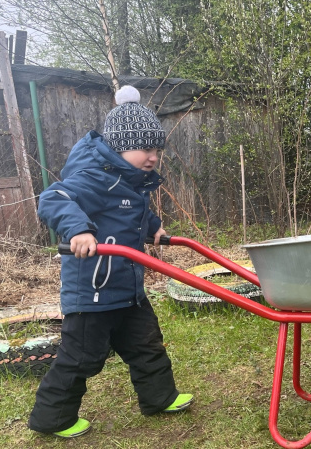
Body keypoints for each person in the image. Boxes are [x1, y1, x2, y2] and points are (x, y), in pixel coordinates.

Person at [28, 85, 192, 438]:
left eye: (157, 150)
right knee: (82, 359)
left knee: (148, 346)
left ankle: (160, 398)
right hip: (92, 295)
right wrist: (79, 230)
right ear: (119, 147)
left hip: (128, 290)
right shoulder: (94, 178)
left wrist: (155, 229)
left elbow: (134, 212)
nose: (153, 157)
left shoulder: (132, 183)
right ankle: (52, 419)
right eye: (145, 148)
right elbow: (54, 198)